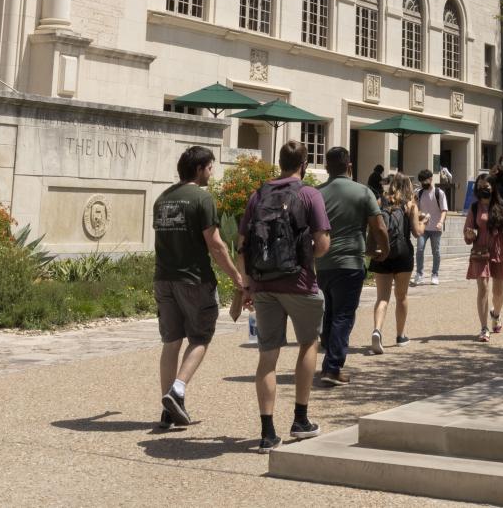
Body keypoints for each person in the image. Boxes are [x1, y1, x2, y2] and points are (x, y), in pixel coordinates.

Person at [240, 141, 332, 453]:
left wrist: (249, 282)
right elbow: (322, 243)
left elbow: (242, 243)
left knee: (268, 355)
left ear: (278, 162)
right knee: (308, 342)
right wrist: (306, 256)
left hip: (265, 285)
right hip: (299, 282)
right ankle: (300, 420)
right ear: (303, 164)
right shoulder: (309, 194)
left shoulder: (258, 194)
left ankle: (267, 432)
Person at [152, 145, 248, 430]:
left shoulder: (162, 199)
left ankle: (168, 412)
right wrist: (235, 276)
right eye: (210, 167)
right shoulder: (202, 199)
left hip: (163, 278)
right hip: (194, 279)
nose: (212, 172)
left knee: (171, 342)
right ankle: (177, 390)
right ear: (199, 169)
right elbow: (216, 245)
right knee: (200, 337)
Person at [316, 146, 388, 387]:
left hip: (323, 264)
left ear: (327, 168)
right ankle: (333, 367)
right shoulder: (363, 192)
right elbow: (379, 227)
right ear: (349, 166)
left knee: (331, 310)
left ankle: (328, 350)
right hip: (349, 262)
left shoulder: (317, 194)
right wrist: (384, 251)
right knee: (343, 315)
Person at [463, 171, 503, 341]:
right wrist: (469, 234)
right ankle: (484, 328)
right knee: (483, 289)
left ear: (493, 188)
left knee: (498, 293)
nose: (482, 190)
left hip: (500, 251)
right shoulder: (474, 208)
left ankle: (495, 314)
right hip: (480, 252)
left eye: (486, 187)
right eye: (479, 188)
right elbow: (467, 231)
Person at [370, 172, 421, 353]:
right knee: (402, 297)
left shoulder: (380, 202)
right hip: (403, 254)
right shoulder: (410, 206)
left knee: (382, 297)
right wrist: (424, 221)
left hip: (383, 253)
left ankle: (377, 330)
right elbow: (416, 232)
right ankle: (400, 336)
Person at [412, 168, 447, 285]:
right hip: (423, 227)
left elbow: (444, 210)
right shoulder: (419, 193)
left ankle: (435, 274)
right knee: (419, 249)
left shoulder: (439, 193)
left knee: (436, 251)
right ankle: (419, 274)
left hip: (436, 228)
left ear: (431, 179)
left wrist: (440, 222)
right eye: (421, 182)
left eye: (425, 181)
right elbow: (415, 208)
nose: (423, 184)